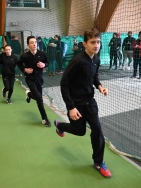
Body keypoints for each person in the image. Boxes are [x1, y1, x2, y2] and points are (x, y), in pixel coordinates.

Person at [54, 29, 111, 178]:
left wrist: (100, 86)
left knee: (97, 130)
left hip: (90, 102)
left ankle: (98, 162)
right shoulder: (78, 61)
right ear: (85, 44)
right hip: (76, 104)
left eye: (98, 42)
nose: (96, 45)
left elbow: (94, 76)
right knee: (80, 131)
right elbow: (64, 83)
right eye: (93, 42)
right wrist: (71, 107)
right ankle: (60, 125)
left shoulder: (96, 60)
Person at [17, 36, 51, 127]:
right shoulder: (24, 56)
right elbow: (19, 63)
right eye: (31, 42)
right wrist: (25, 70)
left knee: (39, 99)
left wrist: (44, 64)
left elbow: (48, 63)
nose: (34, 44)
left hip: (39, 79)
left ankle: (29, 94)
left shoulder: (42, 54)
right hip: (30, 79)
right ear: (28, 45)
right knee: (39, 98)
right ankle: (45, 118)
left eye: (35, 42)